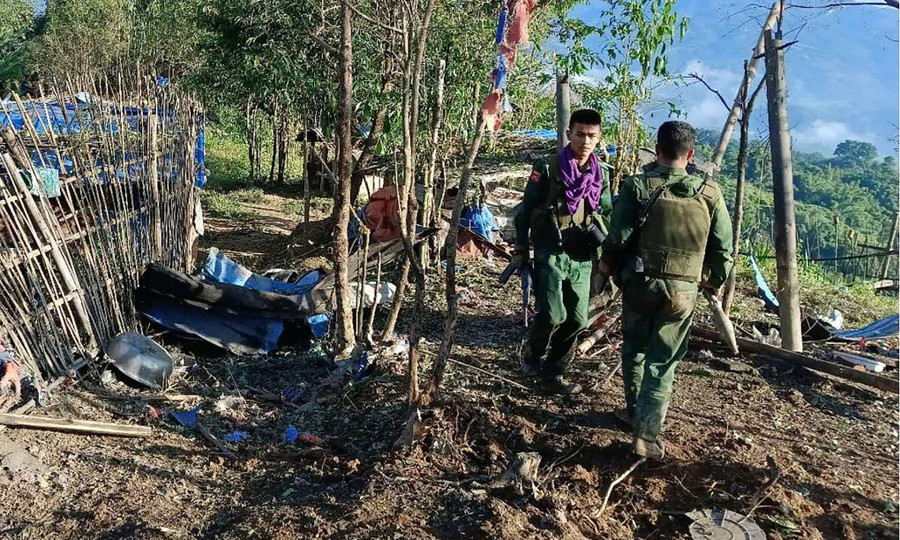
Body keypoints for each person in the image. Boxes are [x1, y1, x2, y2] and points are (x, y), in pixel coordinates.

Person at [598, 120, 733, 459]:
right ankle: (647, 434)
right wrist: (714, 282)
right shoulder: (710, 194)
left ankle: (633, 412)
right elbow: (724, 251)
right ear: (690, 156)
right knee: (662, 362)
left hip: (640, 284)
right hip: (682, 292)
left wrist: (606, 266)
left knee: (635, 350)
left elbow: (618, 237)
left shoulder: (637, 187)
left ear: (656, 150)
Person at [513, 109, 612, 395]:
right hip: (551, 251)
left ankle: (554, 373)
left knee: (578, 319)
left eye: (592, 136)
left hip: (581, 254)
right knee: (553, 315)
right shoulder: (547, 167)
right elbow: (525, 211)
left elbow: (607, 212)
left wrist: (610, 253)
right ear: (568, 134)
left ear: (599, 137)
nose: (585, 141)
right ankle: (533, 353)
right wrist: (521, 249)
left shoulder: (600, 174)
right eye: (580, 134)